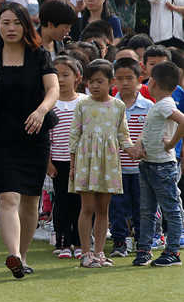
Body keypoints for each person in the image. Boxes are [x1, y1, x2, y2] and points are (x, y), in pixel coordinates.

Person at [0, 2, 59, 279]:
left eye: (16, 23)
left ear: (26, 26)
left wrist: (42, 110)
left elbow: (53, 88)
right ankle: (14, 254)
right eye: (5, 22)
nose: (10, 28)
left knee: (30, 201)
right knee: (8, 197)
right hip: (1, 138)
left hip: (34, 137)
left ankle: (24, 255)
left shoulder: (39, 56)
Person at [68, 59, 138, 268]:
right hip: (85, 163)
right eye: (91, 81)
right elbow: (74, 136)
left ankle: (99, 252)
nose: (95, 85)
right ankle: (85, 253)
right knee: (87, 207)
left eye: (100, 81)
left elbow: (123, 136)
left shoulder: (118, 106)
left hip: (108, 163)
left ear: (111, 82)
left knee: (103, 209)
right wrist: (72, 166)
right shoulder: (82, 104)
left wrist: (134, 150)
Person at [132, 61, 184, 267]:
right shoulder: (158, 105)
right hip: (149, 164)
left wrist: (171, 143)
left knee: (170, 209)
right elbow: (147, 132)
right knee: (148, 209)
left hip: (162, 166)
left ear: (152, 82)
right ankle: (144, 249)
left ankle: (172, 252)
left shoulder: (165, 105)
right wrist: (139, 147)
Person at [109, 57, 152, 258]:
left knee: (142, 208)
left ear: (139, 79)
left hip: (141, 169)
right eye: (120, 78)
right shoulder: (109, 106)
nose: (125, 82)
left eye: (129, 78)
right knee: (117, 208)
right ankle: (119, 241)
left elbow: (152, 134)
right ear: (113, 81)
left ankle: (142, 242)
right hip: (116, 168)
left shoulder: (149, 107)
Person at [46, 56, 84, 260]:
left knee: (80, 202)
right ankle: (63, 242)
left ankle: (80, 241)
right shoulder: (49, 104)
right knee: (61, 202)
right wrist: (48, 162)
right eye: (56, 75)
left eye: (65, 75)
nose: (60, 79)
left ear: (77, 77)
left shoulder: (84, 102)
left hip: (81, 163)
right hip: (58, 162)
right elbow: (46, 137)